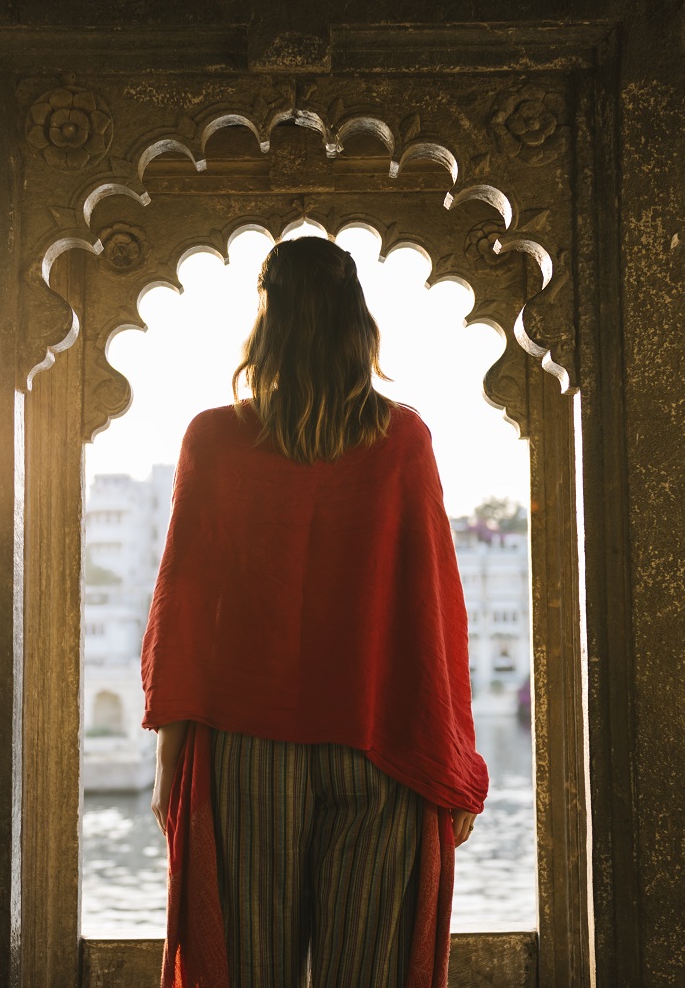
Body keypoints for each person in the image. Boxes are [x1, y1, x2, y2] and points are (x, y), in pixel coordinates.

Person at [141, 235, 488, 988]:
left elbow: (186, 601)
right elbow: (433, 614)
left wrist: (172, 747)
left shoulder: (214, 439)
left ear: (266, 324)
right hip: (380, 741)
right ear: (357, 326)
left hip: (244, 749)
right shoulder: (403, 439)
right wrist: (453, 757)